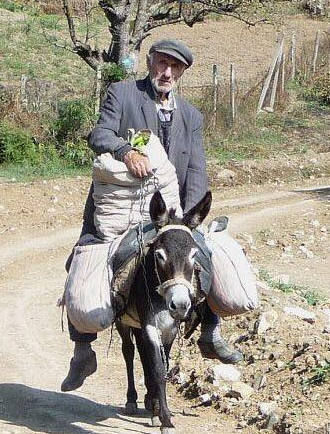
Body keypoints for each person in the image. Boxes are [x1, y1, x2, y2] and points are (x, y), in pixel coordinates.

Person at [61, 39, 243, 393]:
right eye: (161, 64)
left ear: (182, 73)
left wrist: (189, 222)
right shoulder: (123, 94)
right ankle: (83, 349)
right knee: (83, 262)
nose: (167, 72)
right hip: (123, 210)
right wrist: (125, 150)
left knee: (204, 256)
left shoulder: (191, 116)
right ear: (150, 63)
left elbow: (196, 170)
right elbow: (99, 134)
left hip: (171, 214)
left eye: (175, 68)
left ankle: (210, 329)